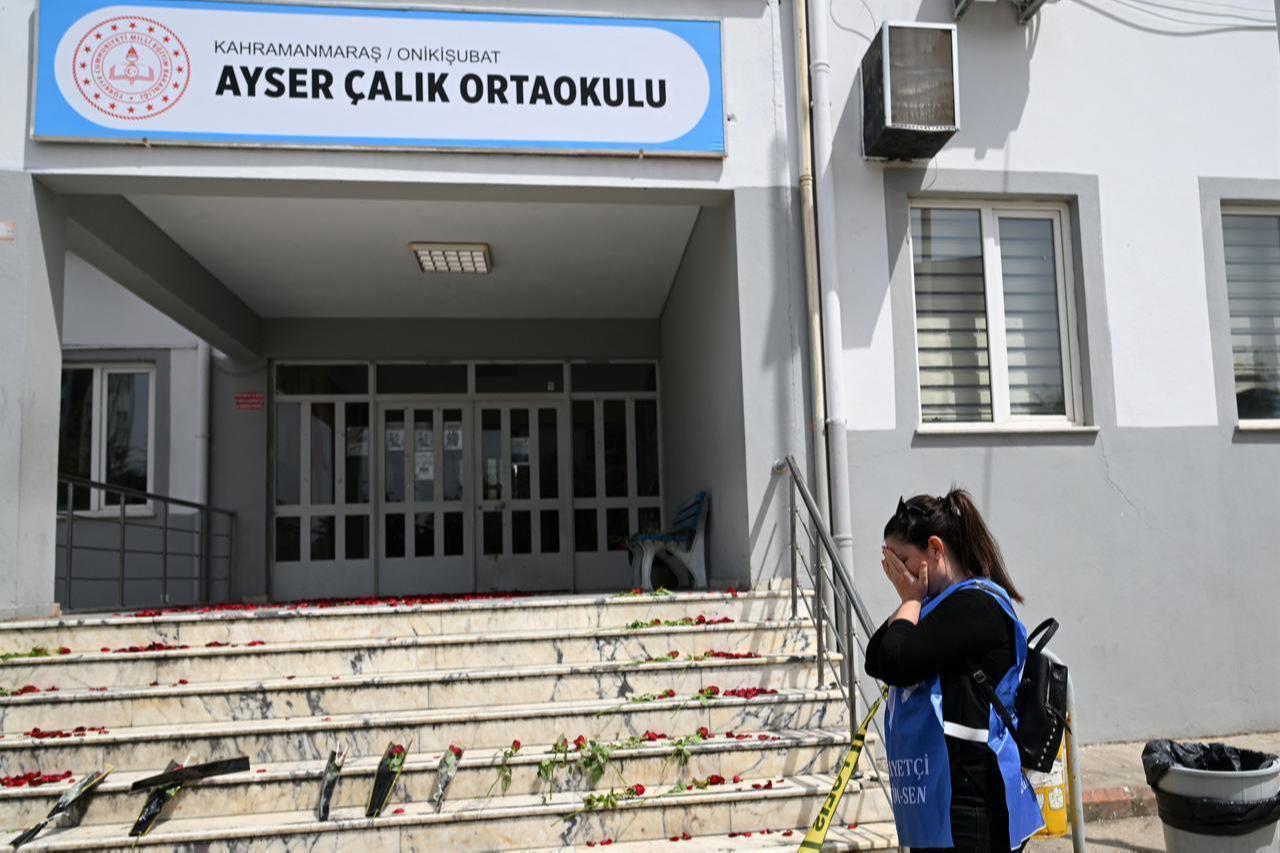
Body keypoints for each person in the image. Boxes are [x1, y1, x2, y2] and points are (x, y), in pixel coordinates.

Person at [865, 490, 1043, 852]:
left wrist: (911, 601)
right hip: (948, 799)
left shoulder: (975, 606)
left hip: (975, 801)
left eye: (902, 561)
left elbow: (897, 662)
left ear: (934, 548)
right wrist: (912, 601)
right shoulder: (939, 607)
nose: (898, 575)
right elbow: (876, 657)